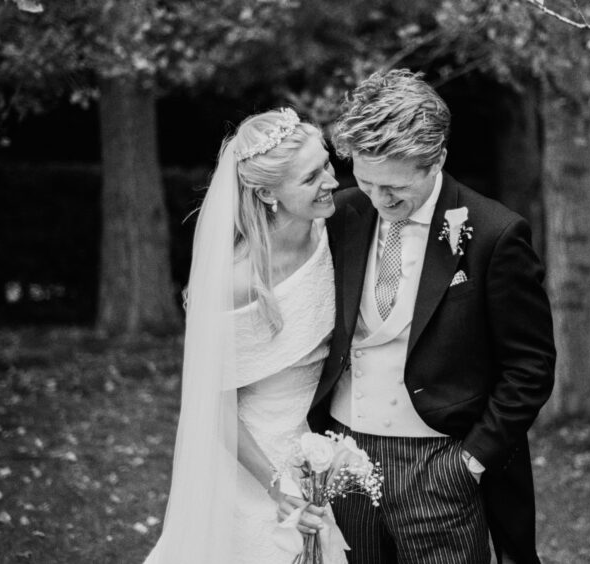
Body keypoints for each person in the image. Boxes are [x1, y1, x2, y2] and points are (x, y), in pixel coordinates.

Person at [308, 69, 557, 564]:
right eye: (367, 180)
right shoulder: (341, 217)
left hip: (439, 464)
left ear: (437, 159)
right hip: (340, 454)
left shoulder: (494, 234)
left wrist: (470, 463)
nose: (381, 200)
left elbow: (530, 367)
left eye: (396, 187)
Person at [143, 108, 346, 563]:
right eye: (312, 177)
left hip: (317, 449)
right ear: (266, 190)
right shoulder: (234, 284)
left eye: (328, 164)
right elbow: (214, 406)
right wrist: (278, 486)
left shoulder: (334, 233)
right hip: (250, 464)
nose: (332, 181)